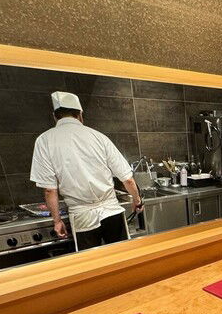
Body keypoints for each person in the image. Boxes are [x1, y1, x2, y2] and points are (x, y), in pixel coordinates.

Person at [30, 91, 143, 251]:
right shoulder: (98, 136)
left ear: (55, 116)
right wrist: (137, 200)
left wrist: (57, 221)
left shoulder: (44, 141)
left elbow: (49, 189)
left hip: (82, 217)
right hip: (112, 213)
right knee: (122, 257)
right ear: (80, 114)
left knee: (91, 264)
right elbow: (128, 179)